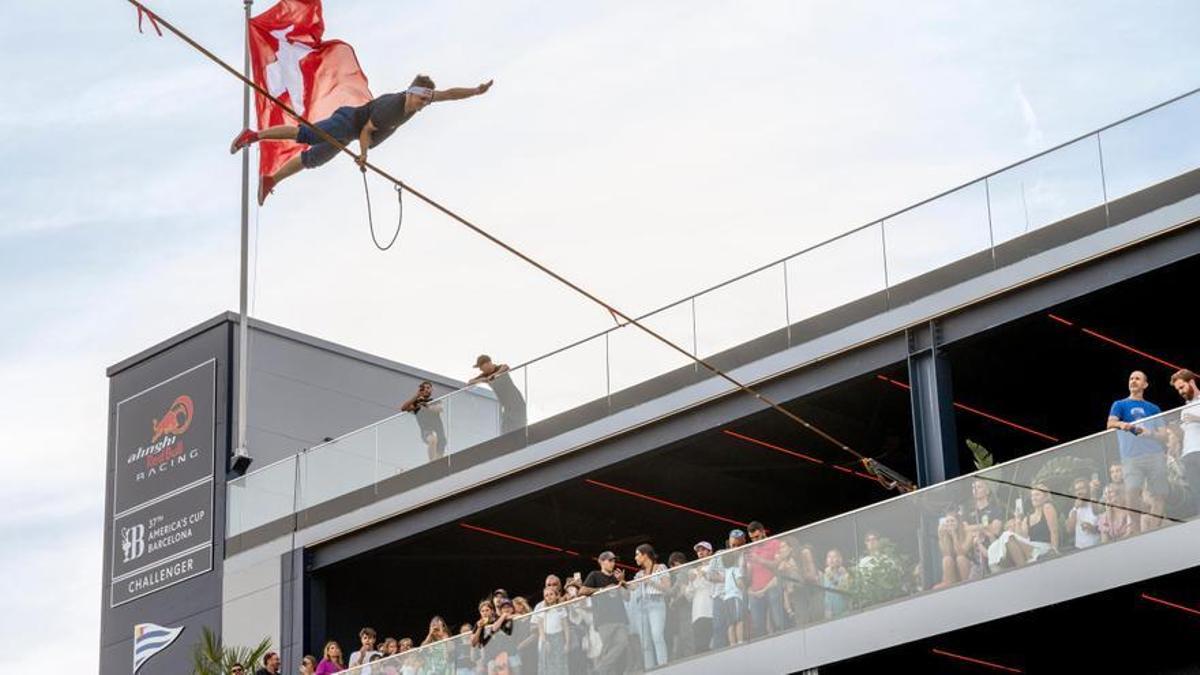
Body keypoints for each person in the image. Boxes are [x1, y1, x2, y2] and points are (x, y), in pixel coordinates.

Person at [231, 74, 494, 205]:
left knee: (315, 159)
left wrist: (475, 91)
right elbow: (366, 131)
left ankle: (271, 179)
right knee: (308, 134)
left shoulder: (421, 99)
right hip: (349, 123)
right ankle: (254, 135)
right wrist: (364, 156)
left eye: (427, 100)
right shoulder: (392, 106)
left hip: (349, 134)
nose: (424, 105)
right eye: (422, 99)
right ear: (410, 93)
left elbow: (448, 94)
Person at [1107, 370, 1169, 534]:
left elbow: (1164, 435)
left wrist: (1150, 434)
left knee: (1159, 493)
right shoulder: (1119, 404)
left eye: (1137, 379)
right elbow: (1110, 423)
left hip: (1154, 455)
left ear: (1145, 384)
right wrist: (1122, 425)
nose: (1133, 381)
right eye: (1131, 378)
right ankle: (1135, 529)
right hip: (1131, 457)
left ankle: (1155, 529)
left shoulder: (1153, 408)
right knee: (1132, 491)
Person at [579, 551, 632, 675]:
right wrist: (602, 590)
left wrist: (621, 582)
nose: (613, 563)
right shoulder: (595, 575)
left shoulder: (616, 577)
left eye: (614, 560)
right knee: (607, 649)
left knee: (623, 643)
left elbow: (627, 597)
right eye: (610, 560)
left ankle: (598, 670)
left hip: (620, 617)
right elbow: (582, 591)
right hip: (604, 619)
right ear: (601, 561)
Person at [630, 543, 670, 669]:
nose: (635, 558)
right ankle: (650, 669)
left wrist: (650, 581)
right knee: (645, 642)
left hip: (656, 603)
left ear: (645, 555)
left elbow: (667, 587)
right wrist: (622, 582)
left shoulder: (660, 567)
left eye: (637, 555)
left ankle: (663, 667)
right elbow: (633, 587)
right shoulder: (639, 574)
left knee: (657, 635)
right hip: (641, 607)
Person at [745, 521, 785, 638]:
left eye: (757, 537)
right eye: (752, 538)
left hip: (772, 586)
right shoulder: (751, 549)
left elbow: (778, 565)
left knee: (778, 619)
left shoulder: (775, 543)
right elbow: (750, 572)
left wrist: (759, 560)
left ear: (763, 532)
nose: (755, 540)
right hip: (756, 590)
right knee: (758, 625)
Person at [470, 355, 528, 434]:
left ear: (487, 363)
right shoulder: (485, 375)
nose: (480, 369)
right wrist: (484, 379)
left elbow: (506, 367)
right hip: (507, 407)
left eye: (481, 366)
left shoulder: (499, 368)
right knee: (505, 429)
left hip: (517, 402)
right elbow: (470, 382)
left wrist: (494, 375)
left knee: (519, 425)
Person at [1171, 369, 1200, 516]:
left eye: (1182, 387)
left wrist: (1195, 419)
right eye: (1178, 390)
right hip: (1188, 455)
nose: (1180, 392)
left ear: (1192, 382)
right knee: (1197, 493)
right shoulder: (1184, 409)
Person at [401, 381, 448, 461]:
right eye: (424, 388)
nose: (426, 390)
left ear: (431, 389)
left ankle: (435, 465)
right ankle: (431, 463)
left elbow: (439, 409)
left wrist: (426, 405)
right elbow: (404, 408)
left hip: (439, 431)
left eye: (428, 388)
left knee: (439, 455)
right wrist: (417, 396)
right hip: (427, 430)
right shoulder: (417, 404)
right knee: (432, 440)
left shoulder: (435, 401)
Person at [685, 541, 716, 653]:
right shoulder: (693, 571)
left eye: (703, 550)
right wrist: (691, 582)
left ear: (710, 551)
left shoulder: (714, 566)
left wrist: (704, 575)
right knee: (699, 644)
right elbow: (689, 595)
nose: (700, 553)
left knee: (711, 642)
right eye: (698, 551)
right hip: (697, 612)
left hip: (710, 609)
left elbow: (717, 584)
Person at [534, 583, 570, 675]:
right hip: (547, 638)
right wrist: (545, 641)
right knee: (545, 663)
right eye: (546, 595)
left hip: (558, 637)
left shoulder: (560, 608)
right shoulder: (542, 609)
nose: (549, 597)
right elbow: (540, 627)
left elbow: (566, 627)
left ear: (556, 595)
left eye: (551, 594)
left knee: (559, 662)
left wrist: (567, 642)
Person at [935, 509, 973, 588]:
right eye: (947, 522)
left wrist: (954, 536)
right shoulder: (944, 534)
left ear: (958, 523)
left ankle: (967, 585)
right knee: (947, 559)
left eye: (952, 521)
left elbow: (962, 552)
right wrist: (942, 537)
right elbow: (946, 553)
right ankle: (950, 586)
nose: (950, 524)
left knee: (960, 558)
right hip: (953, 572)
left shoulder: (967, 532)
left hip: (968, 567)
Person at [1067, 477, 1101, 550]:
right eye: (1077, 490)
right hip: (1080, 549)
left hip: (1097, 546)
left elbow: (1105, 528)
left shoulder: (1095, 505)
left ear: (1088, 489)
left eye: (1082, 488)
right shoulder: (1073, 511)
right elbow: (1070, 530)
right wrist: (1075, 508)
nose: (1079, 492)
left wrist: (1093, 529)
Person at [820, 548, 851, 620]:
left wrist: (833, 577)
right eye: (829, 557)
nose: (831, 559)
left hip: (844, 611)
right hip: (829, 612)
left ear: (840, 559)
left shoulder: (845, 574)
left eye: (834, 557)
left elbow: (844, 589)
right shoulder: (823, 576)